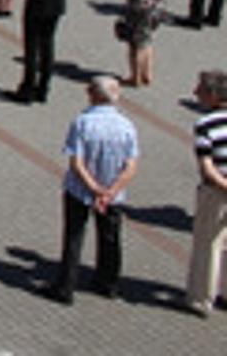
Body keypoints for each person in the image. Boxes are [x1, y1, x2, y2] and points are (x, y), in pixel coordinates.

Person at [46, 77, 139, 304]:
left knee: (74, 236)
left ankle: (65, 286)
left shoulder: (83, 122)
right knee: (110, 237)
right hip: (113, 193)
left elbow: (76, 163)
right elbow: (131, 166)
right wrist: (110, 192)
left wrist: (94, 189)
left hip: (80, 191)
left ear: (95, 95)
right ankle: (108, 283)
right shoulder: (127, 126)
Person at [187, 70, 227, 315]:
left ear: (213, 96)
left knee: (208, 245)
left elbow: (207, 167)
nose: (195, 93)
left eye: (200, 89)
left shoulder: (205, 124)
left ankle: (201, 298)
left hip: (216, 192)